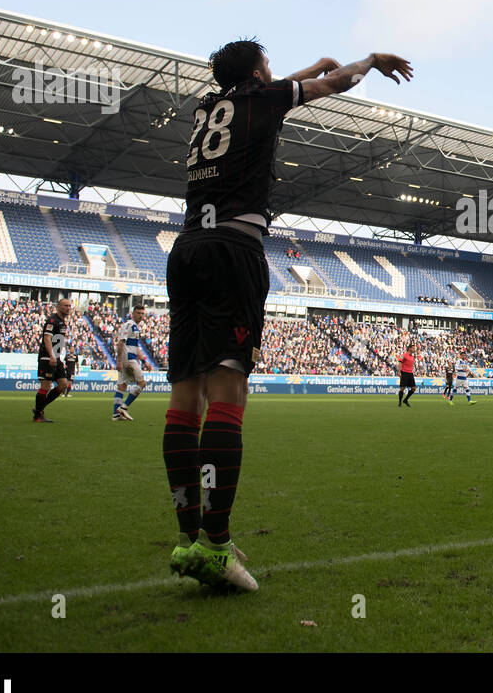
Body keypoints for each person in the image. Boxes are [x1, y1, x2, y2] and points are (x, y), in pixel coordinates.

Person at [162, 38, 412, 593]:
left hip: (187, 251)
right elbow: (335, 85)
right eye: (269, 67)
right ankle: (216, 545)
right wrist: (369, 60)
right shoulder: (262, 97)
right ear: (256, 72)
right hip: (234, 250)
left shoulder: (208, 109)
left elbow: (261, 94)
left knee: (186, 399)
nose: (275, 73)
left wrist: (302, 71)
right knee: (229, 395)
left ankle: (188, 539)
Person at [32, 300, 73, 422]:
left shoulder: (62, 323)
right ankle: (38, 416)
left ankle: (39, 408)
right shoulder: (52, 320)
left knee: (63, 385)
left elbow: (58, 341)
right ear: (58, 306)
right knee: (46, 385)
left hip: (57, 357)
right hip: (47, 357)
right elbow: (47, 338)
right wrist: (51, 355)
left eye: (69, 306)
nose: (68, 308)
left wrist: (58, 357)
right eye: (65, 305)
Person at [113, 304, 148, 420]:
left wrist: (144, 360)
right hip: (128, 358)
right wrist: (118, 361)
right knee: (142, 383)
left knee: (122, 385)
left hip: (129, 357)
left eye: (142, 313)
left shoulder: (136, 328)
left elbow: (136, 347)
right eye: (138, 313)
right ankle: (123, 408)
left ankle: (116, 415)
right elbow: (120, 343)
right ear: (133, 313)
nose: (141, 316)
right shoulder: (128, 325)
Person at [397, 341, 417, 407]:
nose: (414, 349)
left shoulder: (412, 356)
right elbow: (400, 362)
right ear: (410, 348)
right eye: (413, 348)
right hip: (404, 372)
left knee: (413, 388)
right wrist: (399, 371)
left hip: (410, 373)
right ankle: (400, 402)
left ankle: (405, 400)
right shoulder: (404, 355)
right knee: (402, 388)